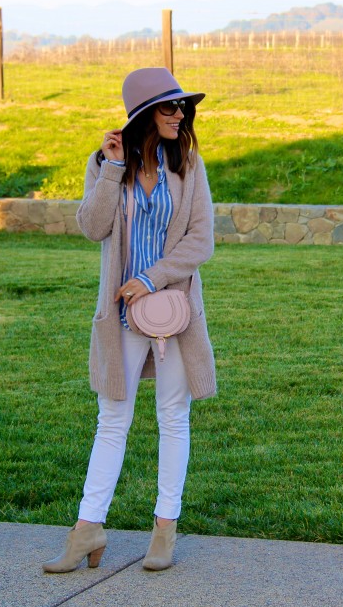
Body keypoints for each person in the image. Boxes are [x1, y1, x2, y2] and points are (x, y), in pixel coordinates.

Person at [43, 67, 217, 573]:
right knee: (112, 421)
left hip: (175, 313)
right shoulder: (104, 162)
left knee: (172, 417)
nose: (179, 114)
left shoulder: (188, 164)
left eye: (182, 106)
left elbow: (200, 241)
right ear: (144, 114)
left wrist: (151, 277)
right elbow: (93, 227)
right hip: (121, 316)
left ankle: (165, 529)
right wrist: (112, 169)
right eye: (169, 107)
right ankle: (87, 530)